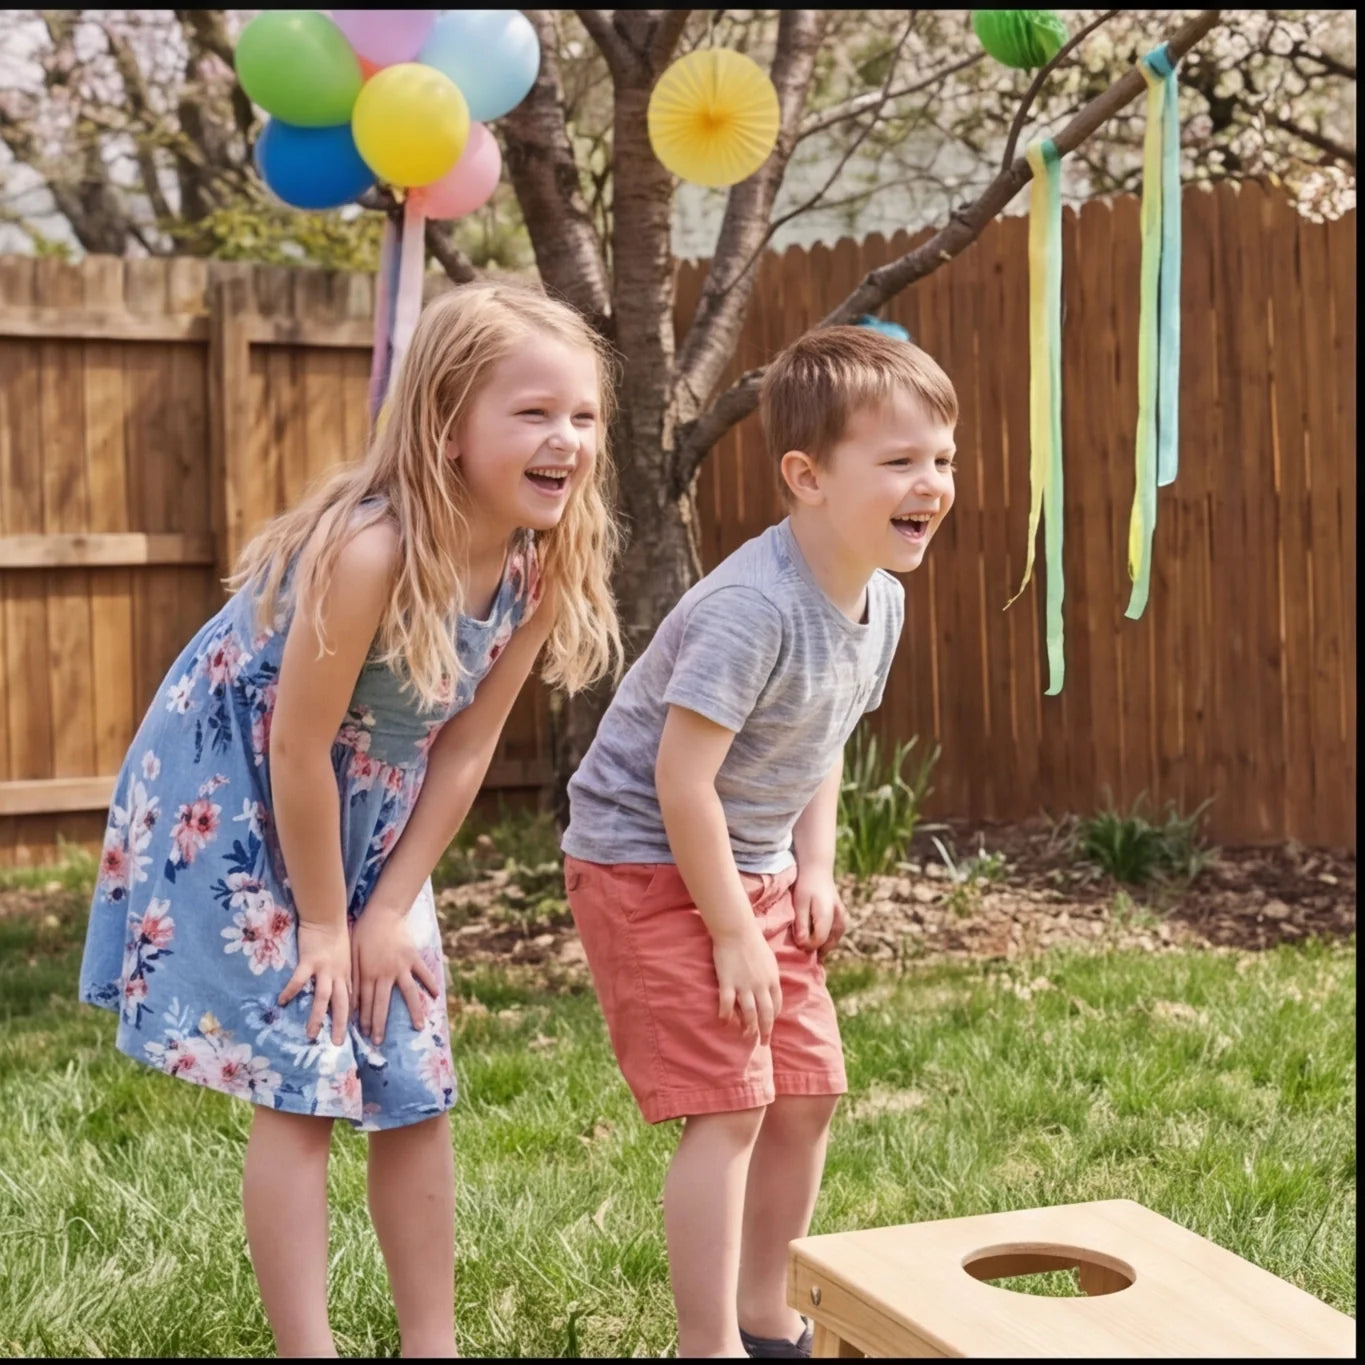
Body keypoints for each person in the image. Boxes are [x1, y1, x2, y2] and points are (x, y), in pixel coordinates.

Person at [79, 279, 621, 1358]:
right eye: (533, 412)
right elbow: (295, 746)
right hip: (248, 791)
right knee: (307, 1067)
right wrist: (327, 927)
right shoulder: (373, 551)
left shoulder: (538, 562)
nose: (566, 438)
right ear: (447, 425)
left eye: (584, 415)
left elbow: (463, 747)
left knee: (410, 1069)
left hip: (374, 807)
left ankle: (434, 1343)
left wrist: (390, 909)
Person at [561, 324, 958, 1359]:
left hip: (753, 865)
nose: (931, 483)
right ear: (807, 477)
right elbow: (680, 782)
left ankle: (765, 1313)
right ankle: (708, 1344)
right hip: (645, 861)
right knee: (732, 1105)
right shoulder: (752, 607)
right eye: (901, 461)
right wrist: (735, 931)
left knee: (806, 1093)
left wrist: (813, 866)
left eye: (942, 459)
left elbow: (820, 738)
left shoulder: (880, 602)